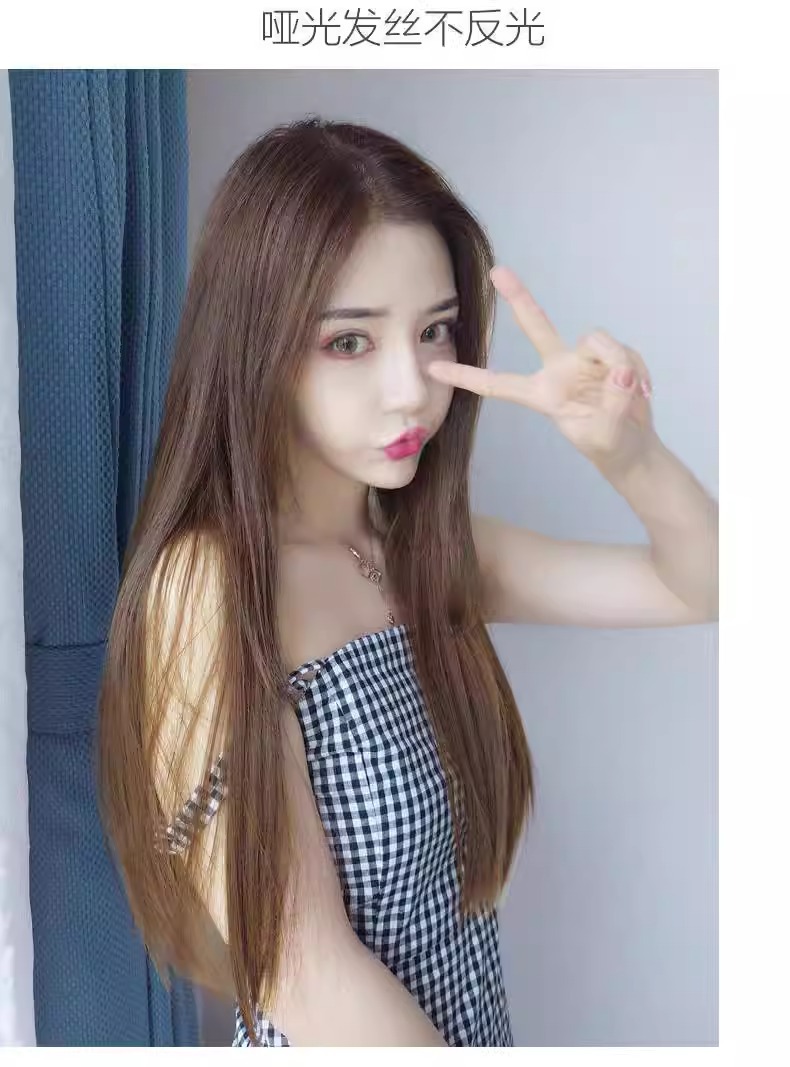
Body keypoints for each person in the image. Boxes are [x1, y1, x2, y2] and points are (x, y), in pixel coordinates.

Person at [96, 117, 718, 1048]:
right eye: (349, 342)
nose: (412, 389)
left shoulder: (424, 554)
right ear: (255, 343)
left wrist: (629, 456)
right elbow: (305, 973)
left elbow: (702, 587)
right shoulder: (208, 589)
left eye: (434, 332)